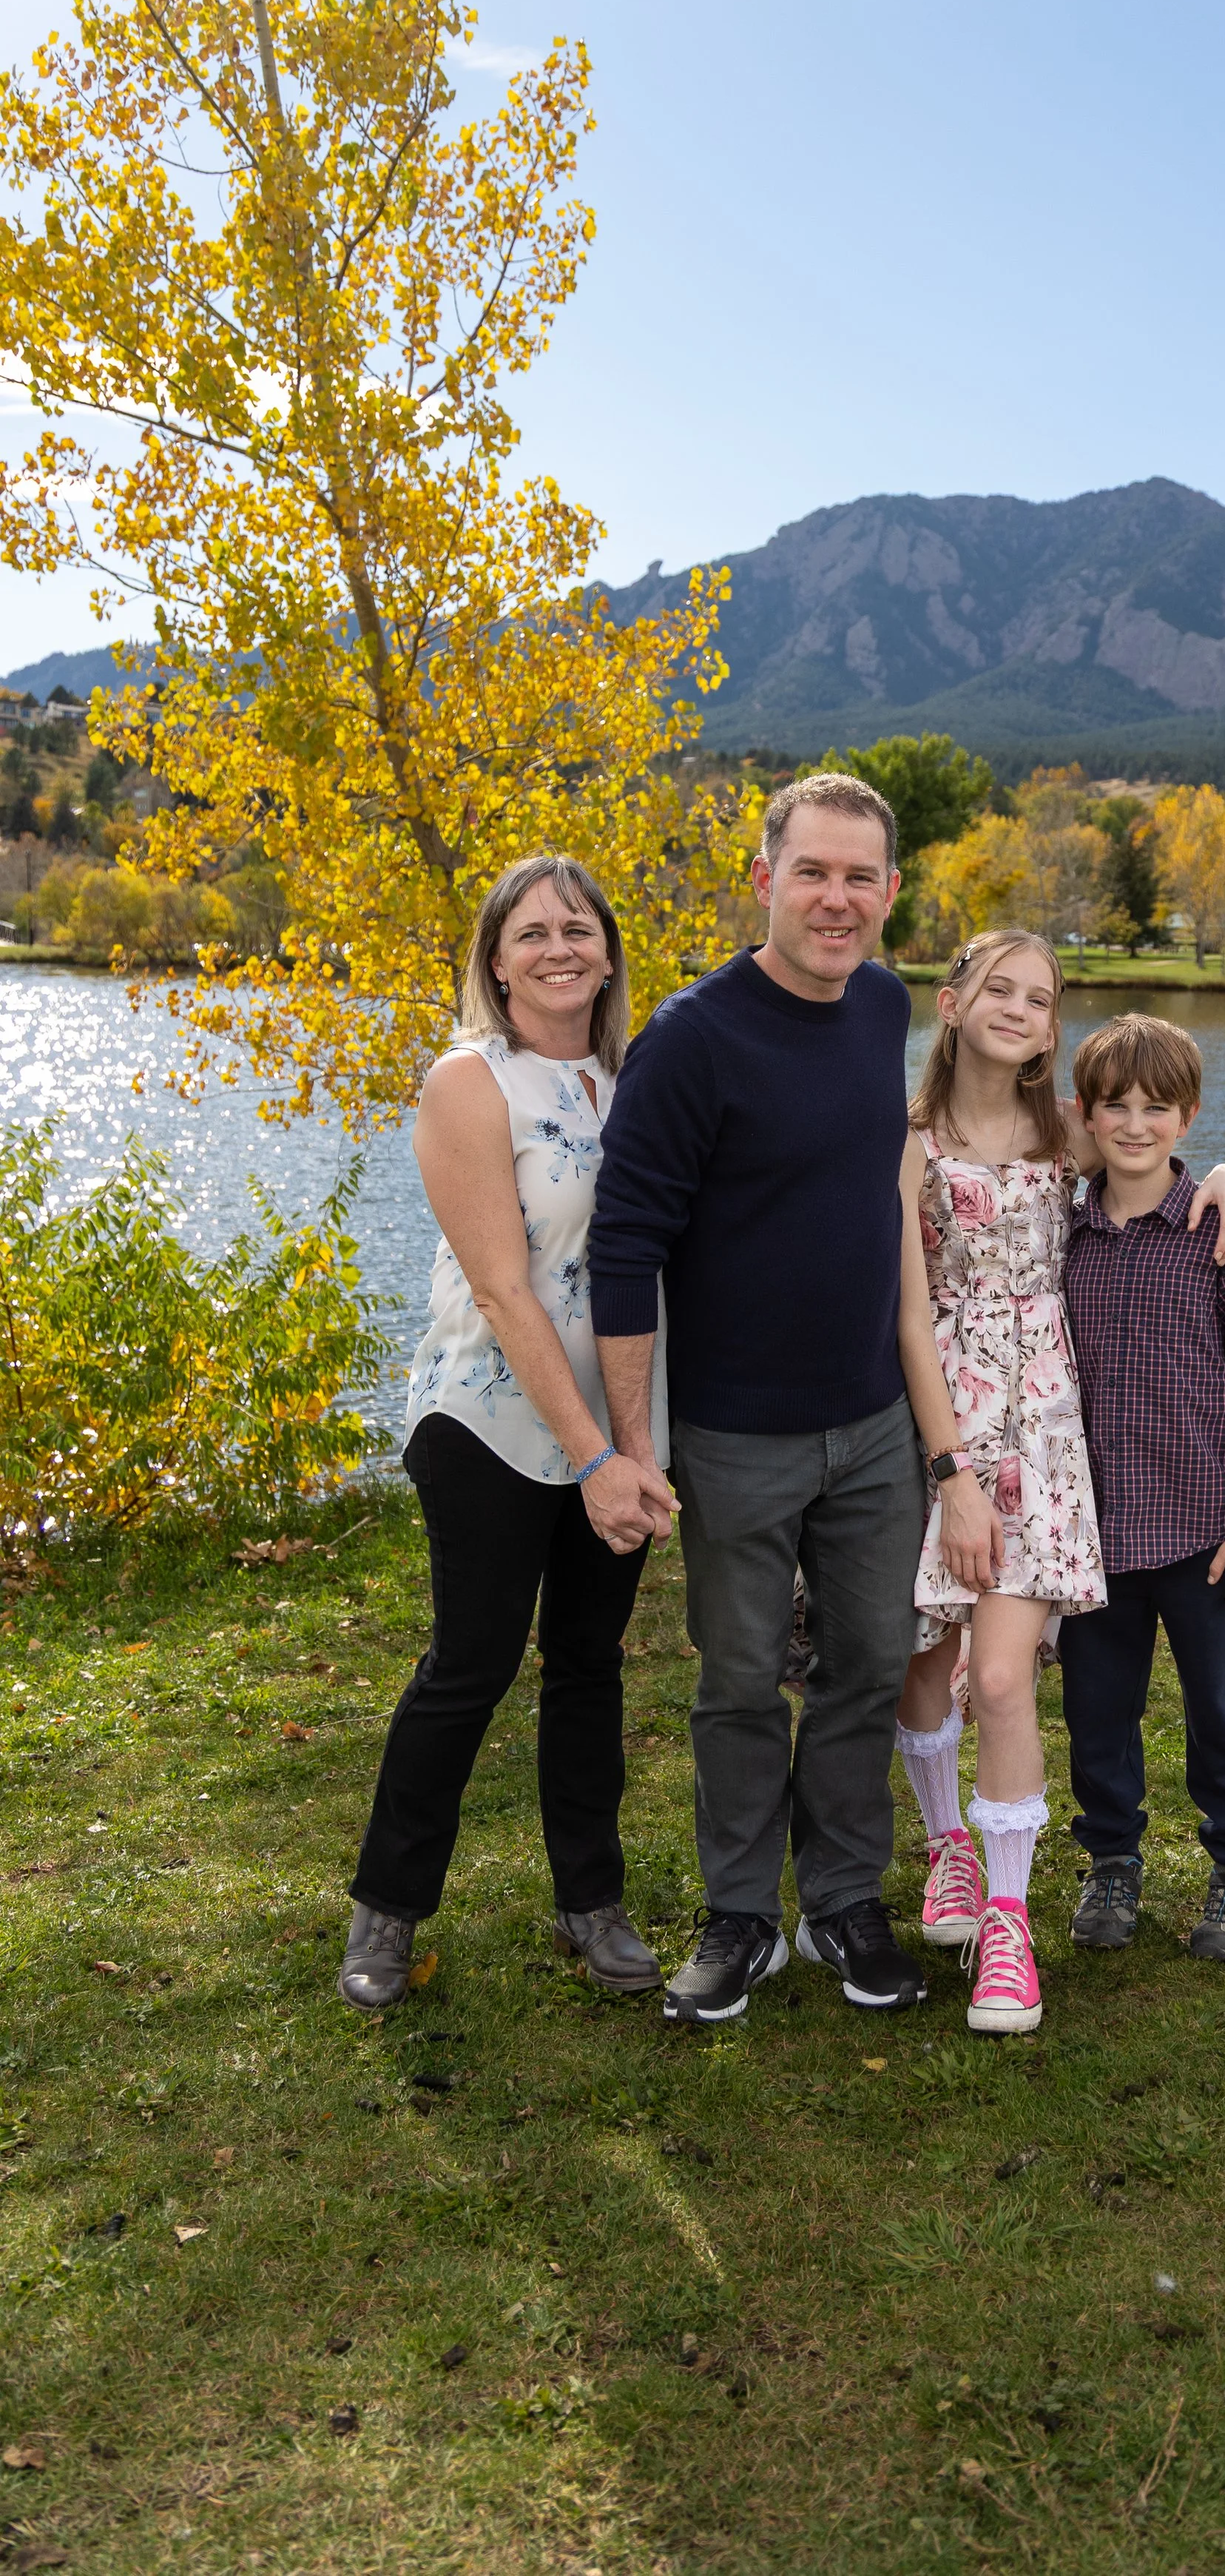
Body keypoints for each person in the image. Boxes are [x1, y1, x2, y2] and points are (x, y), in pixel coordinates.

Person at [590, 773, 931, 2025]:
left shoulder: (885, 1005)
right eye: (814, 872)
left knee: (868, 1666)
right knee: (736, 1681)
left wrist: (1204, 1168)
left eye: (861, 878)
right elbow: (622, 1252)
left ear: (890, 894)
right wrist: (636, 1445)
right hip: (733, 1437)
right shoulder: (692, 1040)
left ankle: (844, 1900)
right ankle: (740, 1919)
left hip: (878, 1426)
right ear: (766, 880)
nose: (836, 899)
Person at [892, 935, 1225, 2036]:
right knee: (924, 1657)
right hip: (937, 1420)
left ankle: (1010, 1922)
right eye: (996, 990)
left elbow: (1158, 1158)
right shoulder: (908, 1147)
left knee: (1001, 1682)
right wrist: (949, 1470)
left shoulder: (1068, 1138)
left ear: (1054, 1027)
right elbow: (909, 1315)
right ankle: (946, 1842)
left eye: (1038, 998)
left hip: (1047, 1432)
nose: (1016, 1010)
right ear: (952, 1005)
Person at [339, 856, 676, 2012]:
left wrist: (634, 1447)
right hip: (489, 1417)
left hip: (626, 1429)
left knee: (588, 1664)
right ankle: (388, 1907)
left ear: (609, 948)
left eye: (577, 926)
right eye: (530, 931)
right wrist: (592, 1457)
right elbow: (501, 1289)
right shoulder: (468, 1081)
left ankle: (592, 1903)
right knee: (471, 1665)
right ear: (496, 958)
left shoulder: (642, 1078)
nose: (557, 946)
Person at [1057, 1013, 1225, 1963]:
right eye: (1114, 1105)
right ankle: (1112, 1859)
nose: (1133, 1124)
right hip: (1094, 1537)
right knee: (1096, 1715)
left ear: (1187, 1119)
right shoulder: (1061, 1231)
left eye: (1156, 1108)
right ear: (1084, 1114)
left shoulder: (1217, 1233)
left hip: (1204, 1531)